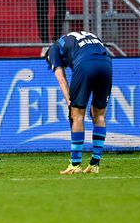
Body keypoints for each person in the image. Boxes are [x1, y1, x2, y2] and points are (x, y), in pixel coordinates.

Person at [46, 31, 112, 175]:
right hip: (107, 63)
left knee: (77, 115)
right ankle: (95, 164)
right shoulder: (78, 37)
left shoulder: (53, 50)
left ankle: (75, 164)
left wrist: (71, 103)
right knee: (99, 115)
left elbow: (62, 80)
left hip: (85, 64)